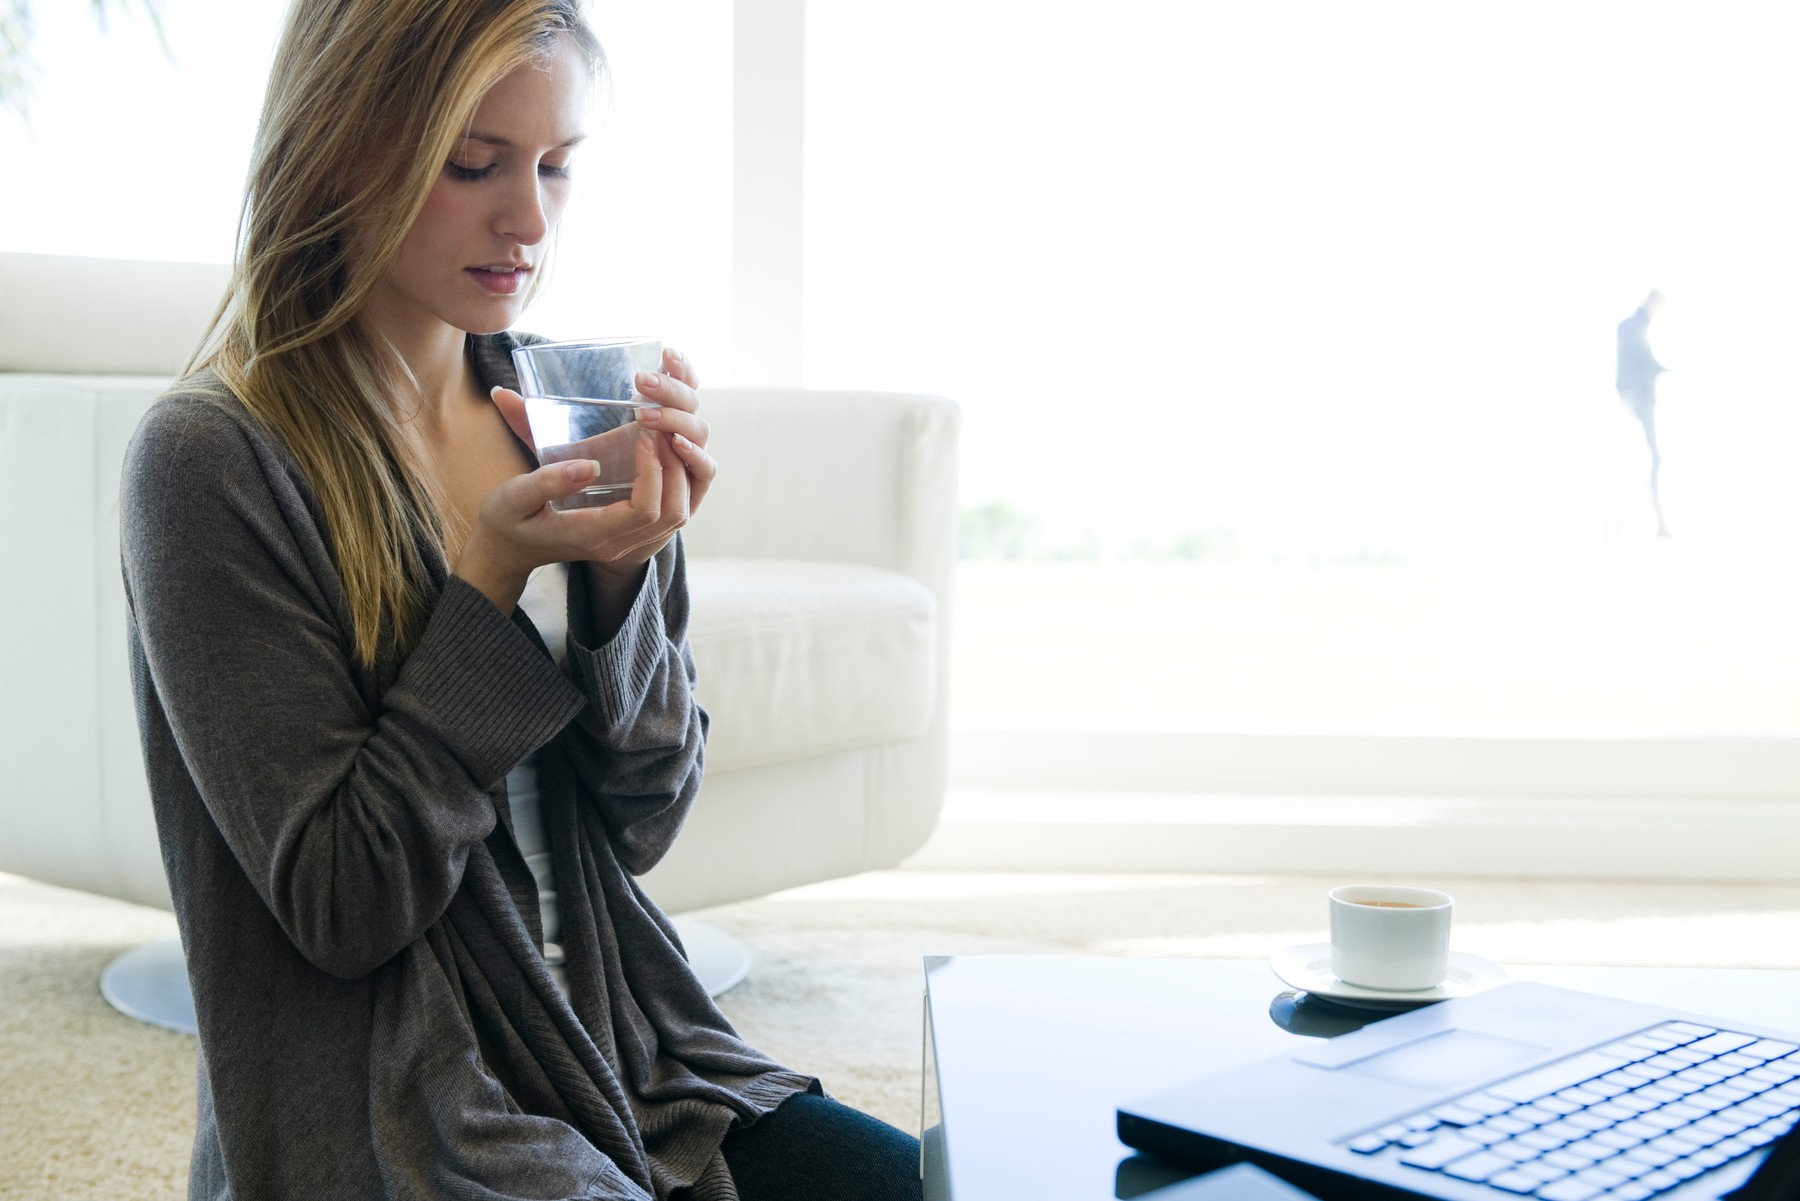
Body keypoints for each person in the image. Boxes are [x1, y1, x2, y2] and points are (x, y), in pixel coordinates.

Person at [118, 1, 921, 1198]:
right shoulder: (212, 459)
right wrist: (485, 588)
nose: (529, 220)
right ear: (338, 147)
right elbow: (344, 903)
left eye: (556, 165)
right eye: (472, 164)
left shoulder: (569, 402)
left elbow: (646, 820)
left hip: (632, 1061)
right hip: (400, 1115)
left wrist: (620, 582)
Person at [1615, 287, 1672, 538]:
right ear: (1652, 302)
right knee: (1652, 458)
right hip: (1638, 399)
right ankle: (1655, 520)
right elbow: (1641, 362)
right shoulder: (1632, 327)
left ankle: (1657, 521)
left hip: (1637, 398)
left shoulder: (1634, 327)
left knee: (1651, 458)